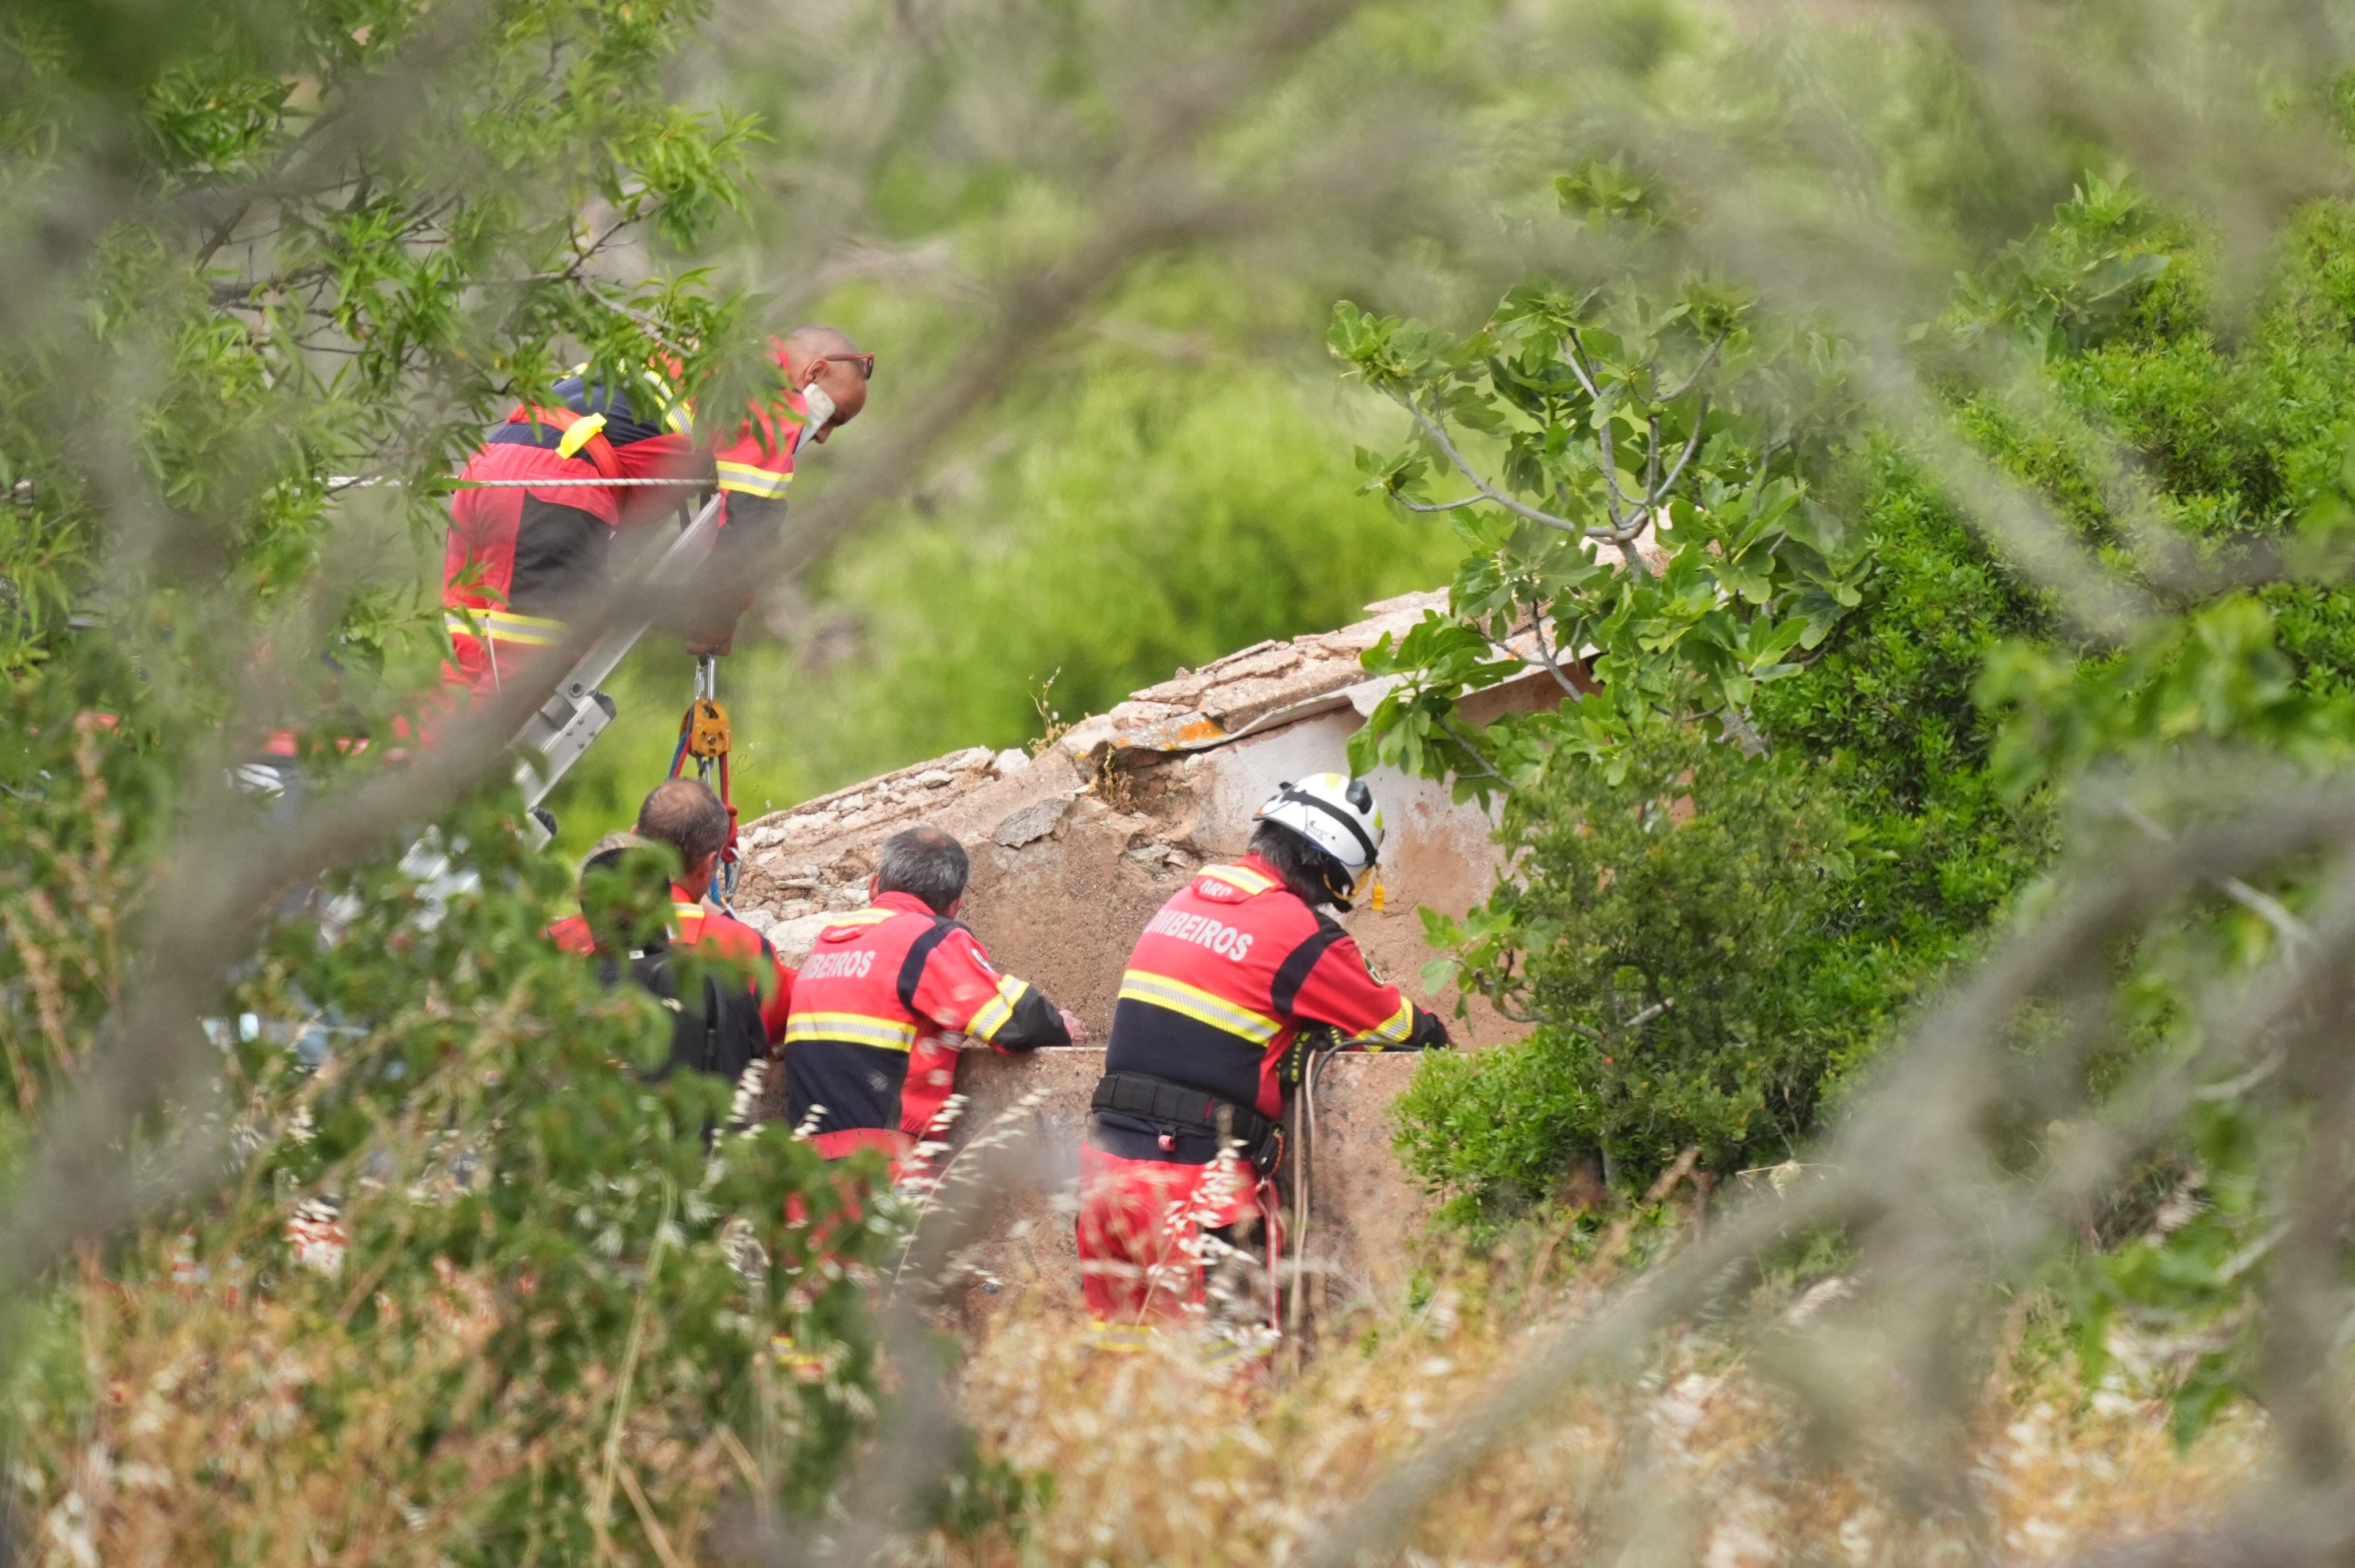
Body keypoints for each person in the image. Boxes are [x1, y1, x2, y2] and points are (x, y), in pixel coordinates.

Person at [1076, 772, 1449, 1324]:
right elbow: (1406, 1031)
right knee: (1231, 1377)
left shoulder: (1183, 902)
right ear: (1331, 865)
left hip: (1104, 1176)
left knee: (1122, 1372)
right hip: (1199, 1186)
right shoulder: (1299, 933)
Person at [440, 326, 872, 695]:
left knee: (466, 678)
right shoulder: (769, 392)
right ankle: (463, 788)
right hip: (555, 488)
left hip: (492, 470)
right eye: (834, 416)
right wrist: (719, 615)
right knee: (525, 682)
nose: (824, 437)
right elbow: (753, 522)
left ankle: (399, 775)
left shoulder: (704, 350)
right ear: (814, 373)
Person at [783, 825, 1084, 1166]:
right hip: (879, 1171)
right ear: (955, 907)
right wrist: (1060, 1026)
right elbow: (1015, 1023)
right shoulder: (926, 939)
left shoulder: (829, 943)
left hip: (805, 1175)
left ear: (874, 885)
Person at [549, 779, 795, 1051]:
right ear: (710, 864)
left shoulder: (557, 941)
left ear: (633, 837)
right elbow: (794, 1015)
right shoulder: (743, 949)